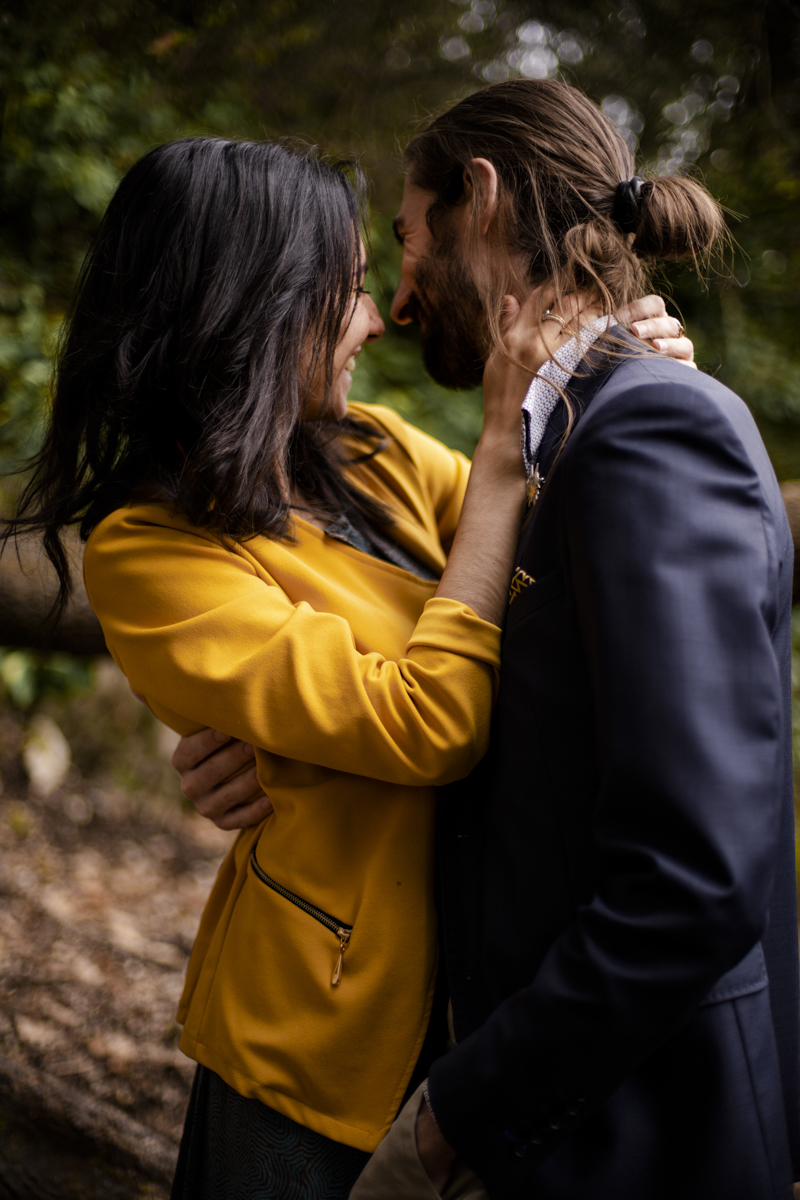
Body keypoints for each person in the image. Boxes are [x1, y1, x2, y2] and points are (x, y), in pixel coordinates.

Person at [2, 133, 679, 1197]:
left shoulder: (373, 447)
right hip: (314, 1054)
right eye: (348, 291)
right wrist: (500, 468)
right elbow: (427, 724)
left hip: (484, 1006)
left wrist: (641, 406)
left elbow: (569, 572)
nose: (376, 319)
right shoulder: (150, 554)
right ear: (255, 309)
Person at [180, 81, 800, 1200]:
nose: (401, 304)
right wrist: (270, 735)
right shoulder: (548, 437)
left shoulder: (647, 425)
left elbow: (695, 878)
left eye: (406, 246)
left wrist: (455, 1120)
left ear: (480, 199)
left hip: (632, 1127)